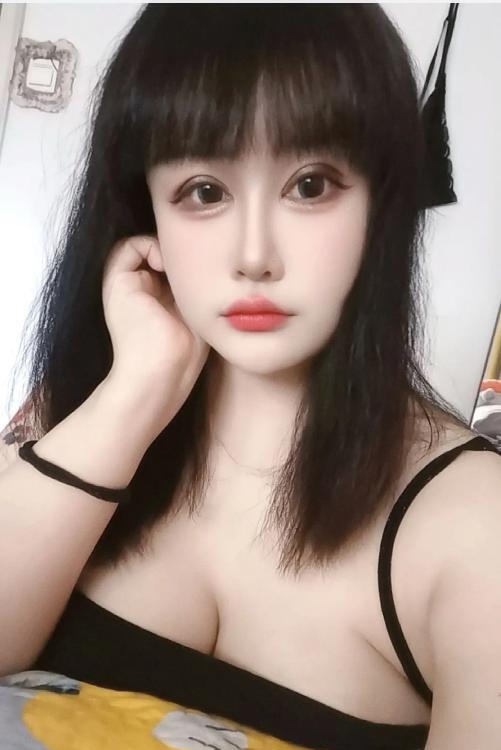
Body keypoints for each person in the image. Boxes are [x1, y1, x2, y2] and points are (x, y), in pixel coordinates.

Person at [0, 5, 500, 749]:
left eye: (310, 185)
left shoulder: (473, 526)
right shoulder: (76, 417)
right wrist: (135, 393)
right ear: (147, 215)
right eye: (204, 192)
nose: (254, 255)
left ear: (380, 206)